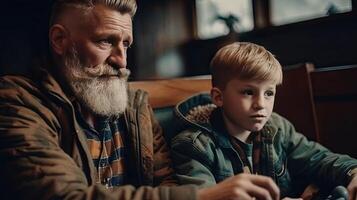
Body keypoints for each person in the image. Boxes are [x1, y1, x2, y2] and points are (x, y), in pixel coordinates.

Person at [0, 1, 280, 200]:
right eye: (105, 42)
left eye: (125, 44)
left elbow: (166, 184)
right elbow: (65, 195)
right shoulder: (16, 102)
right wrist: (202, 197)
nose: (121, 61)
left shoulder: (134, 106)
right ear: (60, 40)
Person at [170, 42, 357, 200]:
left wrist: (352, 172)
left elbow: (318, 158)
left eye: (269, 93)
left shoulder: (277, 127)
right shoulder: (193, 146)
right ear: (219, 97)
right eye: (248, 92)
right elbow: (205, 196)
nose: (260, 104)